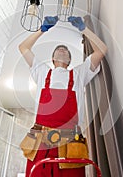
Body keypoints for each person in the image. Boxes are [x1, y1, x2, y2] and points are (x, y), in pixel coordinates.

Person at [19, 16, 107, 177]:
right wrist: (42, 30)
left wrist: (84, 29)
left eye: (65, 50)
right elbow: (23, 48)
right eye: (58, 49)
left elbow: (101, 50)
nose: (62, 49)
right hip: (40, 141)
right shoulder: (42, 71)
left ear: (69, 59)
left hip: (70, 142)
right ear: (52, 59)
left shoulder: (79, 73)